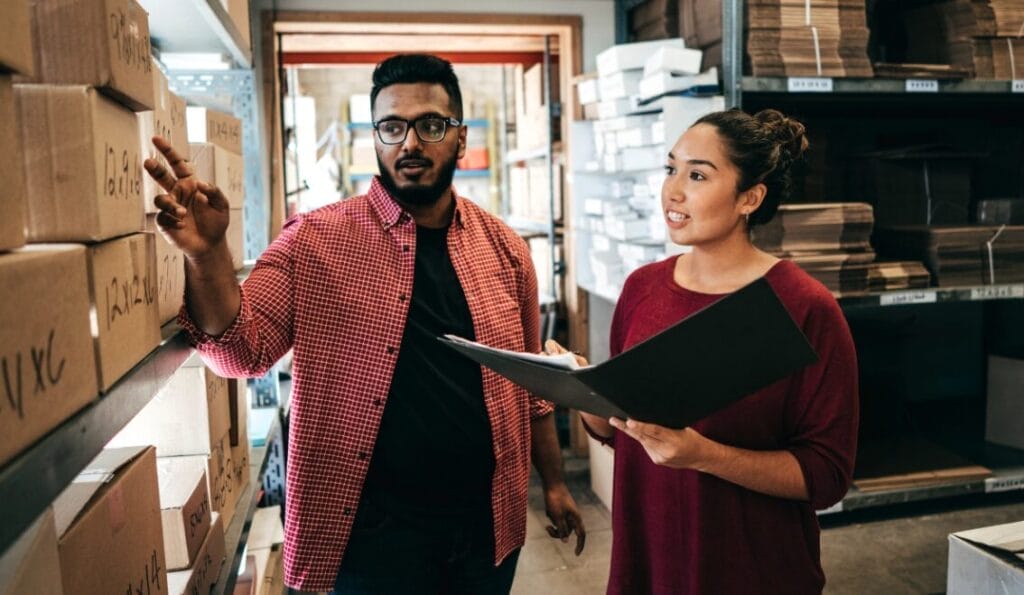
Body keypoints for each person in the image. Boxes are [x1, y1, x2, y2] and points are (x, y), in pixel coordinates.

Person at [144, 53, 585, 594]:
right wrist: (207, 255)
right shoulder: (314, 240)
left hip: (485, 526)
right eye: (392, 127)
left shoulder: (506, 249)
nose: (410, 144)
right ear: (375, 137)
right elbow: (240, 353)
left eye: (430, 125)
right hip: (369, 538)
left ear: (460, 138)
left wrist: (556, 483)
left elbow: (532, 383)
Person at [549, 108, 858, 594]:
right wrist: (582, 391)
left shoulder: (804, 308)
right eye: (671, 169)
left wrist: (703, 455)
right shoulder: (643, 288)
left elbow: (826, 475)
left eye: (697, 175)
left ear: (750, 198)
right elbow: (626, 433)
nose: (673, 191)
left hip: (752, 572)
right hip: (648, 567)